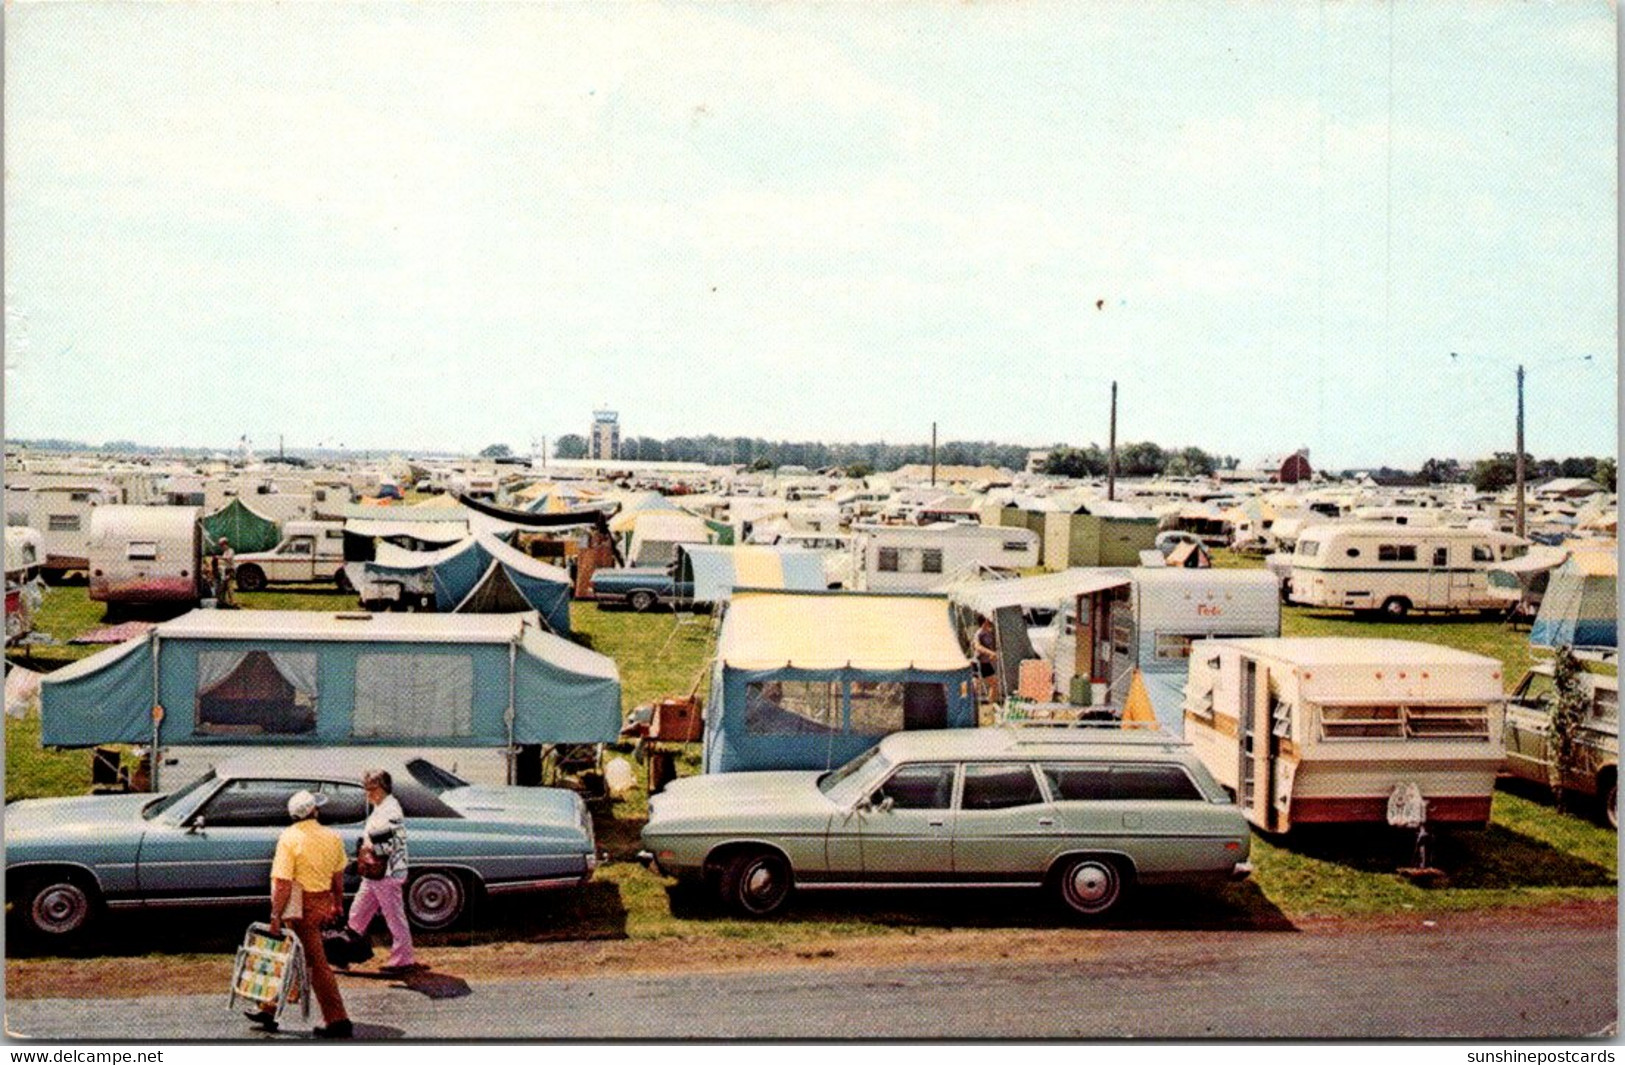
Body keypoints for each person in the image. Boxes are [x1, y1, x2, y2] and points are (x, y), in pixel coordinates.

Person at [247, 790, 352, 1039]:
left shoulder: (289, 838)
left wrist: (275, 916)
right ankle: (268, 1009)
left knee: (314, 963)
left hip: (299, 907)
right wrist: (337, 903)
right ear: (314, 812)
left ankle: (338, 1020)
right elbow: (338, 877)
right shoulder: (333, 836)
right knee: (296, 956)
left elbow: (282, 883)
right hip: (321, 901)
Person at [346, 769, 417, 974]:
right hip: (375, 873)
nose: (367, 793)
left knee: (394, 916)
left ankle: (403, 959)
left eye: (371, 788)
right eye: (366, 788)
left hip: (386, 874)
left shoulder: (391, 810)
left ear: (383, 788)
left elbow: (390, 845)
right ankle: (345, 951)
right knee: (358, 913)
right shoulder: (381, 807)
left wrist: (366, 852)